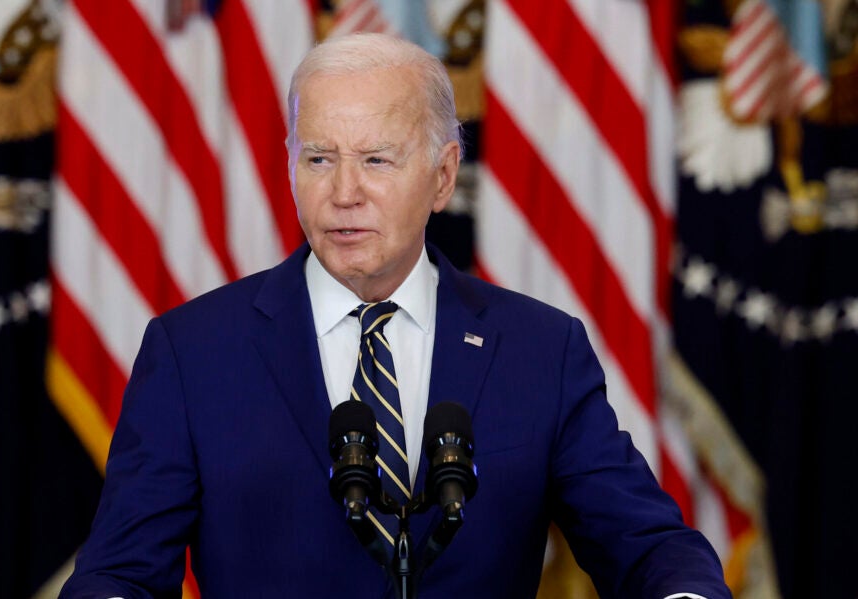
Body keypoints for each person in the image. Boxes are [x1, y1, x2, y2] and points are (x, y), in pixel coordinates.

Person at [60, 33, 731, 599]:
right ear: (290, 165)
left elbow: (645, 543)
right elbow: (120, 571)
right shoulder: (193, 351)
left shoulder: (539, 350)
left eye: (376, 160)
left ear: (443, 176)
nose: (344, 193)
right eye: (319, 158)